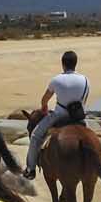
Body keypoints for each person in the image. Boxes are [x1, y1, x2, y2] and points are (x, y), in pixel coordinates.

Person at [22, 50, 90, 179]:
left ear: (63, 64)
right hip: (79, 117)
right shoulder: (85, 80)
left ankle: (30, 169)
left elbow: (45, 99)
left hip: (59, 115)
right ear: (76, 63)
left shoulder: (56, 80)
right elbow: (84, 101)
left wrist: (44, 107)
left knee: (36, 136)